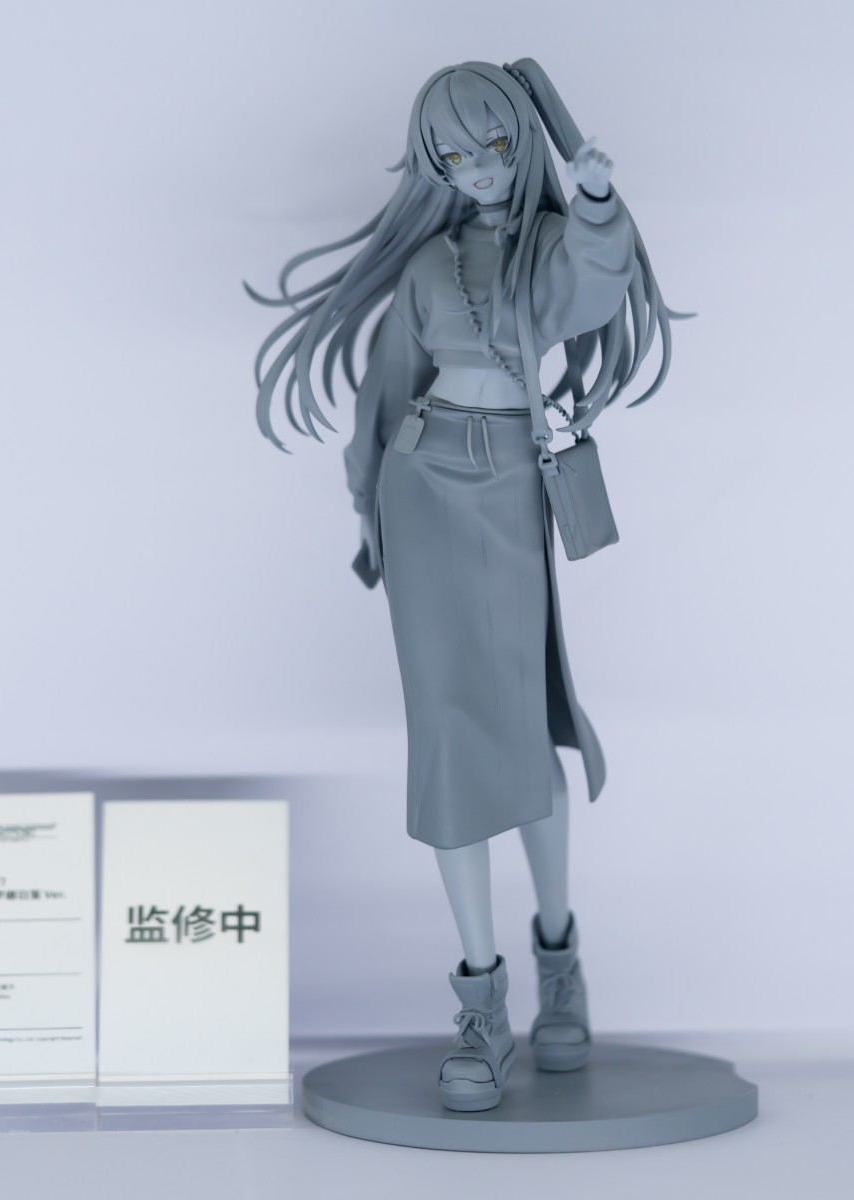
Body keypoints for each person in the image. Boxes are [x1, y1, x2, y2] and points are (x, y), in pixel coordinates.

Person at [250, 58, 682, 1112]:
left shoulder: (544, 248)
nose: (477, 167)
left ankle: (558, 960)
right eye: (452, 153)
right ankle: (481, 1005)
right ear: (432, 165)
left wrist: (593, 199)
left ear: (519, 144)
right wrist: (366, 498)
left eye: (492, 144)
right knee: (445, 736)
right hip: (422, 485)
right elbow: (385, 388)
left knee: (523, 726)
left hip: (507, 487)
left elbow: (592, 284)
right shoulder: (426, 267)